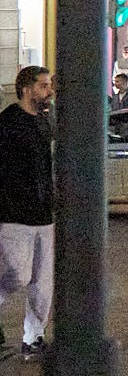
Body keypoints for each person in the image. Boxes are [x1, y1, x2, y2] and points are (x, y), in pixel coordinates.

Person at [0, 65, 55, 360]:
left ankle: (33, 339)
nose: (49, 91)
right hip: (15, 213)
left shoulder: (44, 122)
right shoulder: (8, 122)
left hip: (44, 213)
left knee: (42, 283)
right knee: (18, 274)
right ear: (26, 88)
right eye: (43, 86)